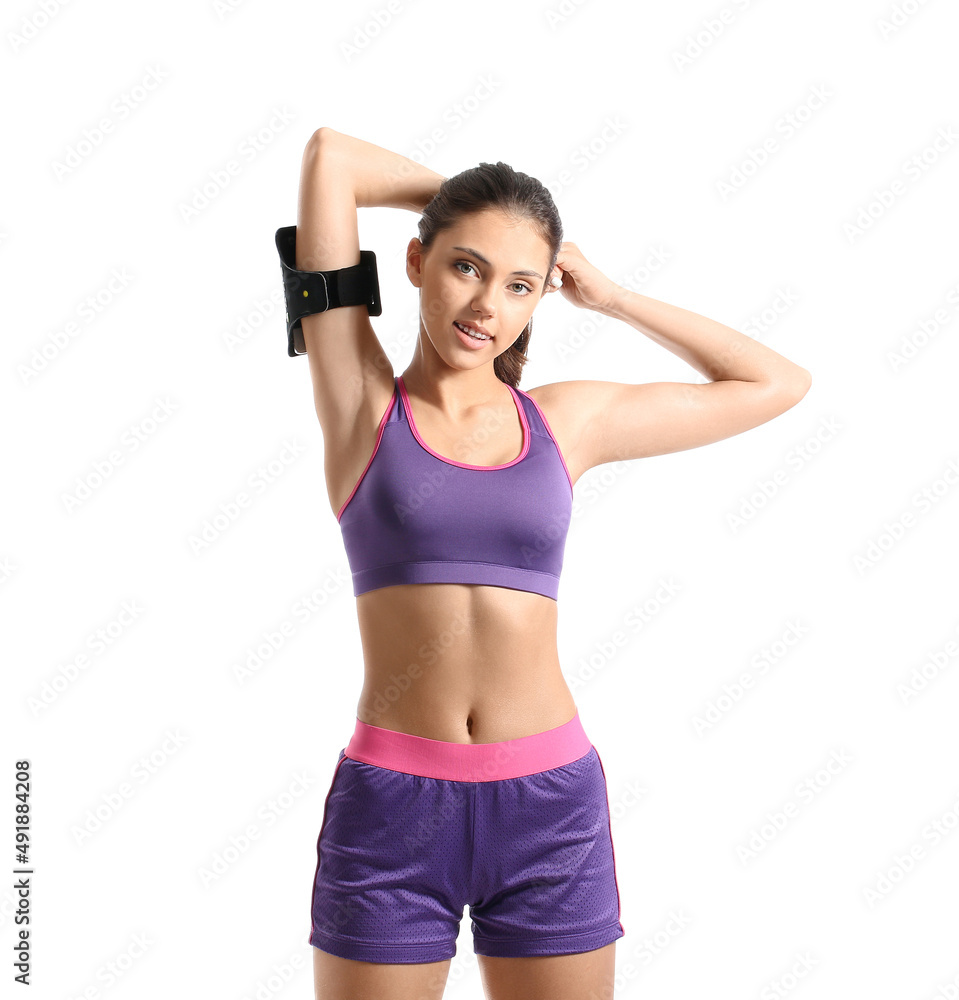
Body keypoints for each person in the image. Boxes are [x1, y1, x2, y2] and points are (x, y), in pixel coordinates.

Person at [291, 127, 812, 1000]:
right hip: (391, 812)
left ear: (541, 298)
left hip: (547, 810)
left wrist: (611, 299)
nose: (486, 301)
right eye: (465, 266)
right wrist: (476, 207)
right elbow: (329, 160)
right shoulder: (360, 400)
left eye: (518, 283)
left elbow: (773, 383)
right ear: (415, 263)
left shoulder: (564, 423)